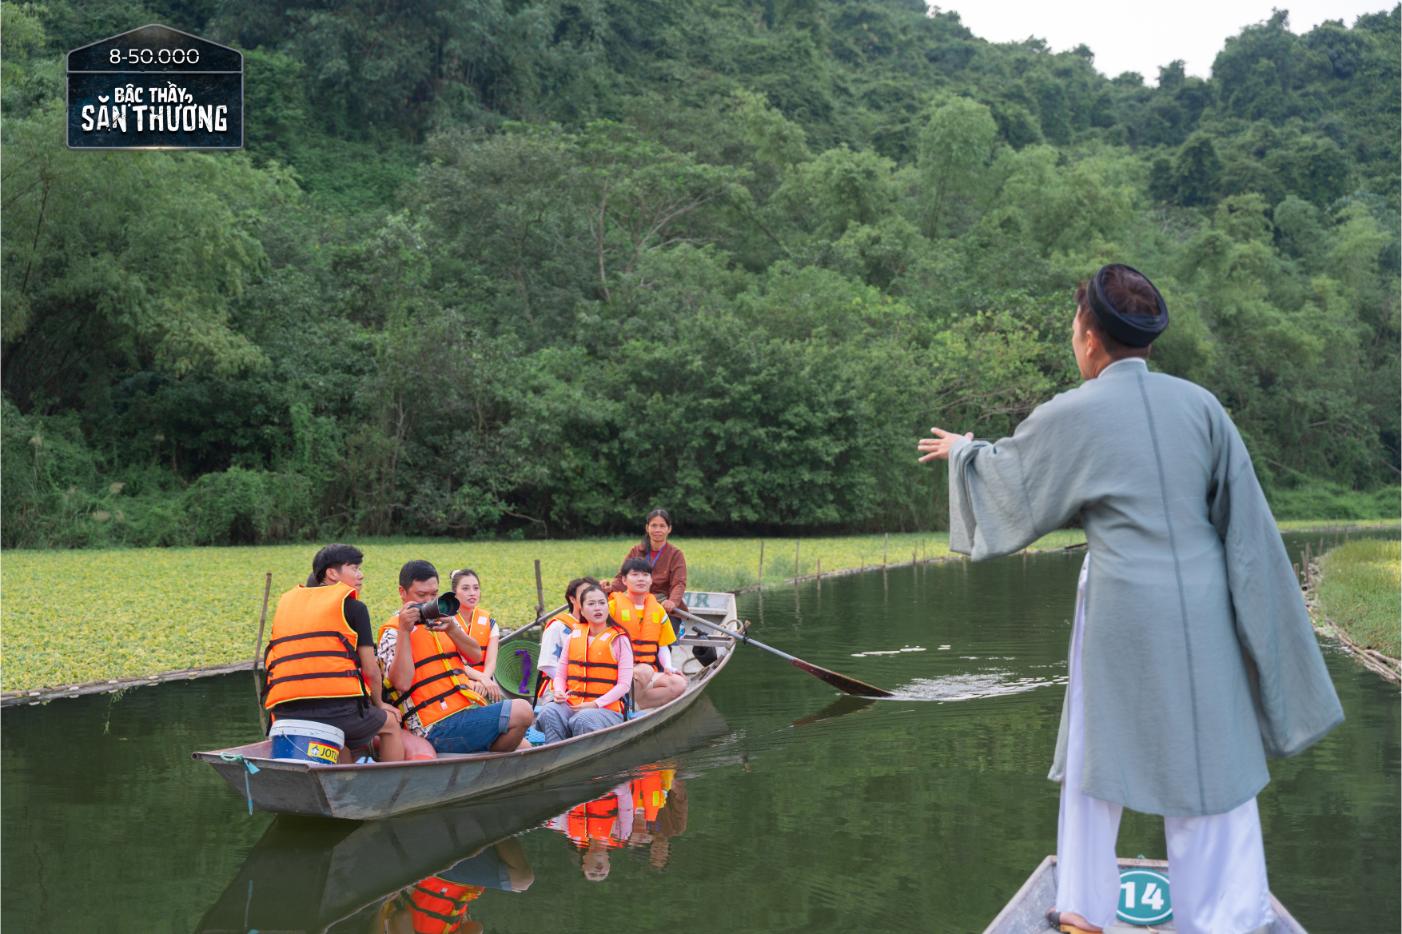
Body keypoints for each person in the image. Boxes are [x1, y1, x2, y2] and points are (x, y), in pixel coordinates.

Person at [916, 264, 1343, 934]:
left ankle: (1085, 906)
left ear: (1090, 338)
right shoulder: (1202, 407)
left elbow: (1013, 477)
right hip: (1204, 604)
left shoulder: (1073, 412)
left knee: (1097, 750)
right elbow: (1249, 531)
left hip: (1120, 604)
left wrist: (966, 452)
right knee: (1214, 753)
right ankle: (1229, 915)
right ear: (1146, 343)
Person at [262, 544, 405, 762]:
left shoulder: (287, 605)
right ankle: (393, 786)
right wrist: (380, 703)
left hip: (284, 713)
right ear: (332, 573)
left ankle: (342, 781)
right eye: (355, 569)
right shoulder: (355, 608)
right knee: (391, 724)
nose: (361, 575)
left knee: (342, 739)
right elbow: (370, 669)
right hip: (337, 713)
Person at [378, 560, 534, 754]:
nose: (428, 601)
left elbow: (475, 656)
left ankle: (487, 761)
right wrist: (404, 630)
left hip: (465, 711)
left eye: (434, 594)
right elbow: (401, 683)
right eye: (421, 595)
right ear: (402, 592)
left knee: (524, 745)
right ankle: (488, 761)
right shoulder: (392, 633)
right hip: (433, 726)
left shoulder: (442, 621)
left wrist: (452, 629)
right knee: (522, 710)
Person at [535, 583, 632, 742]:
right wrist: (559, 691)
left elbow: (624, 685)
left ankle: (581, 755)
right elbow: (560, 676)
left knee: (583, 719)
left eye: (602, 603)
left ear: (608, 607)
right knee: (549, 711)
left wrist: (595, 704)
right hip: (573, 703)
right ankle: (554, 756)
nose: (597, 608)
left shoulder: (620, 640)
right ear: (582, 609)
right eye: (591, 604)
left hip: (606, 709)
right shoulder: (574, 636)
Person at [609, 558, 687, 708]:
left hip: (646, 672)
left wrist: (668, 667)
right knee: (644, 671)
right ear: (624, 580)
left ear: (651, 580)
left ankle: (637, 703)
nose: (640, 579)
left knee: (678, 683)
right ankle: (621, 704)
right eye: (635, 575)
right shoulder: (611, 608)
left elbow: (663, 645)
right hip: (617, 670)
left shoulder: (657, 610)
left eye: (645, 575)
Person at [605, 508, 687, 614]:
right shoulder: (636, 551)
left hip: (663, 606)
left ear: (669, 529)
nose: (658, 530)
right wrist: (609, 588)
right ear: (647, 528)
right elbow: (622, 577)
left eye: (662, 526)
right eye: (654, 526)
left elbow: (679, 583)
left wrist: (672, 601)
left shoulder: (676, 554)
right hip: (636, 603)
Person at [546, 783, 634, 881]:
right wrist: (610, 786)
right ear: (609, 866)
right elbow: (625, 795)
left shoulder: (569, 832)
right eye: (603, 874)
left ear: (584, 863)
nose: (598, 873)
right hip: (610, 782)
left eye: (592, 874)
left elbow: (559, 803)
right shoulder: (621, 835)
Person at [535, 577, 595, 708]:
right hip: (558, 689)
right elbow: (547, 665)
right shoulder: (558, 627)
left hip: (593, 688)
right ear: (572, 599)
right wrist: (573, 684)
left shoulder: (600, 628)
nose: (590, 597)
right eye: (584, 593)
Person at [448, 568, 503, 703]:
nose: (472, 593)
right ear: (454, 593)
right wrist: (481, 678)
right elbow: (454, 662)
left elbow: (491, 661)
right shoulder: (446, 623)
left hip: (485, 684)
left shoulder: (490, 623)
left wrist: (484, 679)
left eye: (476, 588)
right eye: (465, 588)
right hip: (456, 682)